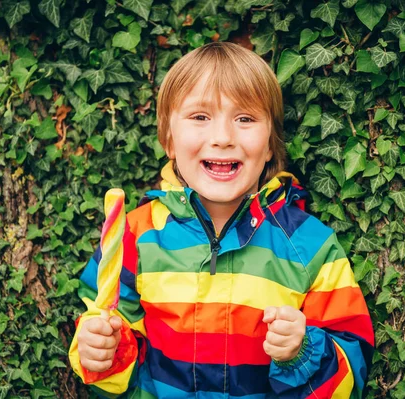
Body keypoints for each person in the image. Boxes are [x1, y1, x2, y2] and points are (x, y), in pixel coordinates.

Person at [68, 41, 374, 398]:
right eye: (200, 117)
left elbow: (352, 377)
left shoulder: (311, 245)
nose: (223, 138)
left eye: (244, 119)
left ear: (271, 144)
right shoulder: (135, 235)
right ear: (169, 138)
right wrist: (103, 352)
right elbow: (106, 335)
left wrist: (302, 351)